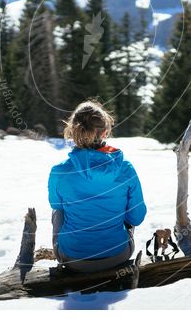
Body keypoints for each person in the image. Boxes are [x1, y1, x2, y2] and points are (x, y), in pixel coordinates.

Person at [48, 100, 147, 272]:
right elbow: (136, 218)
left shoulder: (59, 171)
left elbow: (56, 206)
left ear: (73, 131)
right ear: (105, 132)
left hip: (72, 259)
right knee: (124, 204)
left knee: (59, 210)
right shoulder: (125, 169)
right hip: (118, 255)